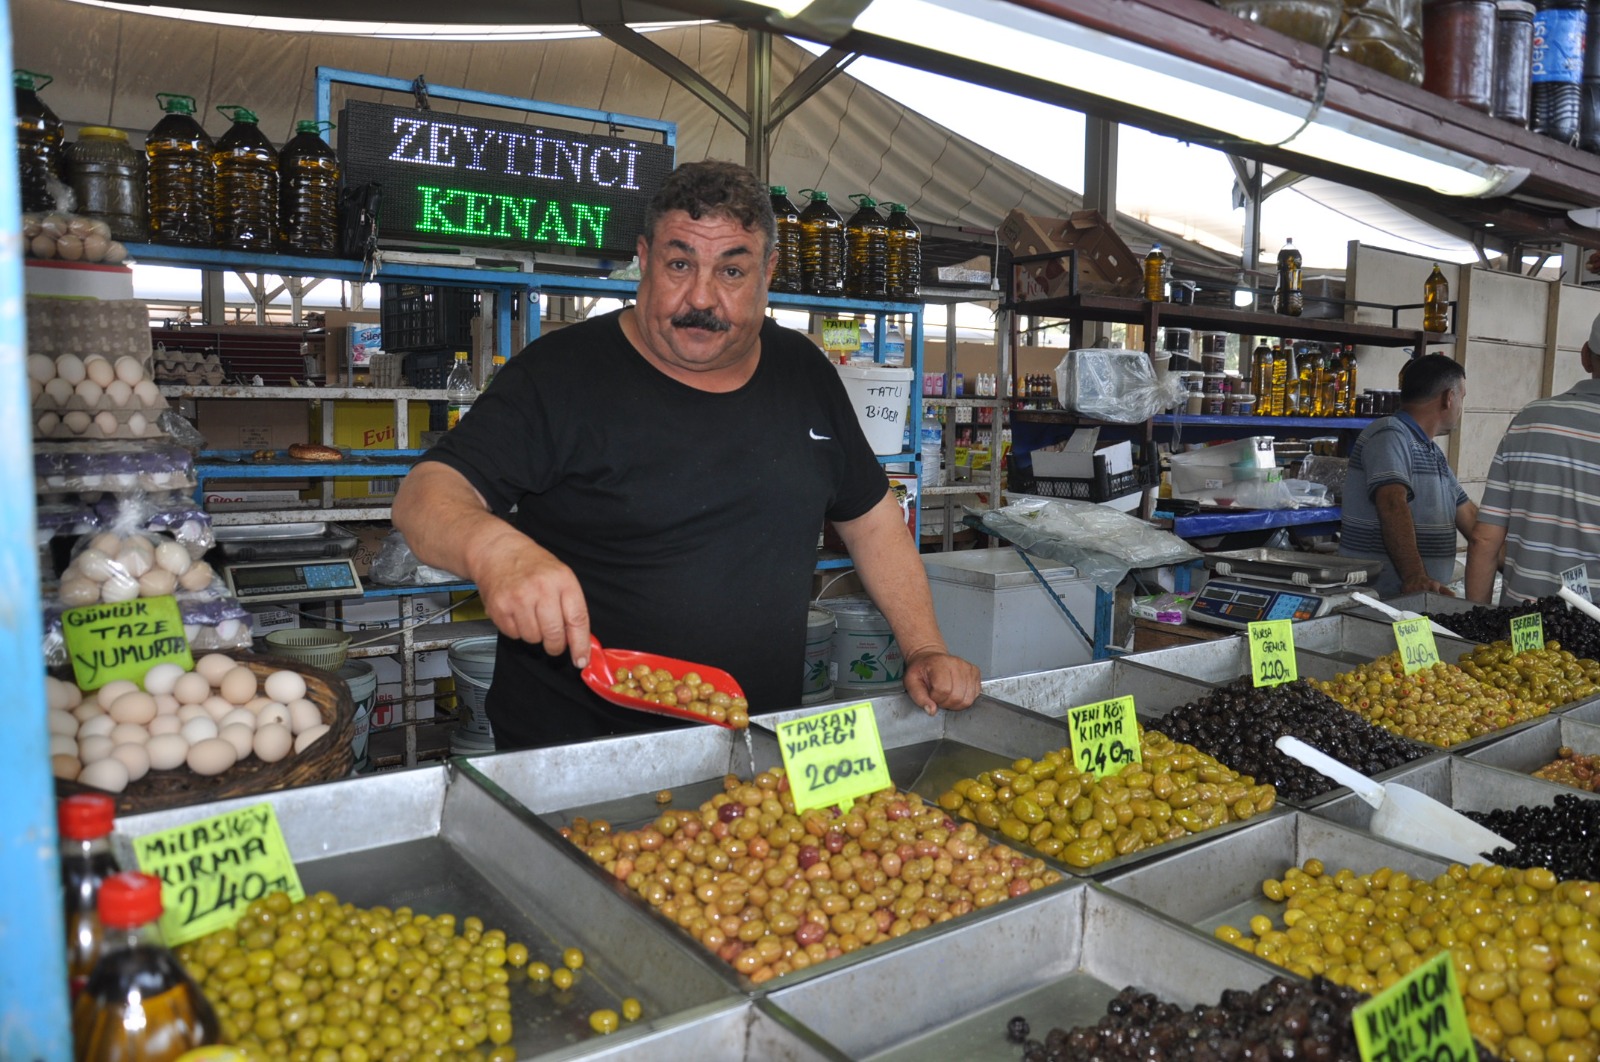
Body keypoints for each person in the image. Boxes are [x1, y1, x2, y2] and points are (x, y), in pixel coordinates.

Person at [392, 159, 979, 749]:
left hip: (752, 746)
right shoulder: (562, 373)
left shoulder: (803, 372)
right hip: (576, 756)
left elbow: (872, 520)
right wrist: (495, 551)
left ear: (768, 272)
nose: (701, 296)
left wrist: (924, 646)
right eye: (680, 264)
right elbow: (426, 496)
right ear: (644, 260)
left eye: (731, 270)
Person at [1465, 312, 1600, 604]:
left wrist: (1478, 631)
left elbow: (1484, 539)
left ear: (1586, 356)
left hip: (1522, 630)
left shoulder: (1530, 419)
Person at [1337, 353, 1475, 596]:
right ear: (1448, 398)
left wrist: (1510, 559)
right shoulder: (1389, 435)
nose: (1461, 407)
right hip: (1383, 602)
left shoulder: (1431, 451)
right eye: (1462, 398)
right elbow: (1391, 502)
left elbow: (1469, 517)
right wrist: (1415, 576)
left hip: (1420, 599)